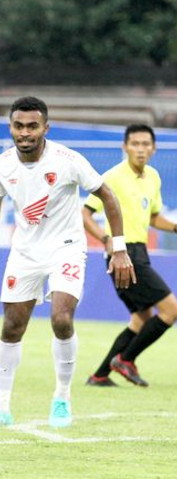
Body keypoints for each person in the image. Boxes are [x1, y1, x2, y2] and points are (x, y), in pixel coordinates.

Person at [0, 96, 135, 428]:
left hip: (67, 248)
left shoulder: (68, 160)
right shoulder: (1, 165)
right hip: (25, 252)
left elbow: (108, 197)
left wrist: (119, 248)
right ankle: (0, 408)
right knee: (12, 327)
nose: (25, 133)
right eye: (19, 126)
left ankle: (62, 398)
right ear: (11, 128)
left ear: (46, 127)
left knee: (61, 318)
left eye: (33, 126)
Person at [84, 124, 177, 388]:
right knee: (171, 310)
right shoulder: (111, 177)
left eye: (145, 144)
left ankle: (100, 375)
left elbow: (154, 217)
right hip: (123, 254)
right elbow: (85, 213)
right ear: (125, 147)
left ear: (154, 148)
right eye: (134, 144)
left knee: (141, 319)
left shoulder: (153, 177)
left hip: (140, 252)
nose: (140, 149)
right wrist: (107, 240)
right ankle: (125, 359)